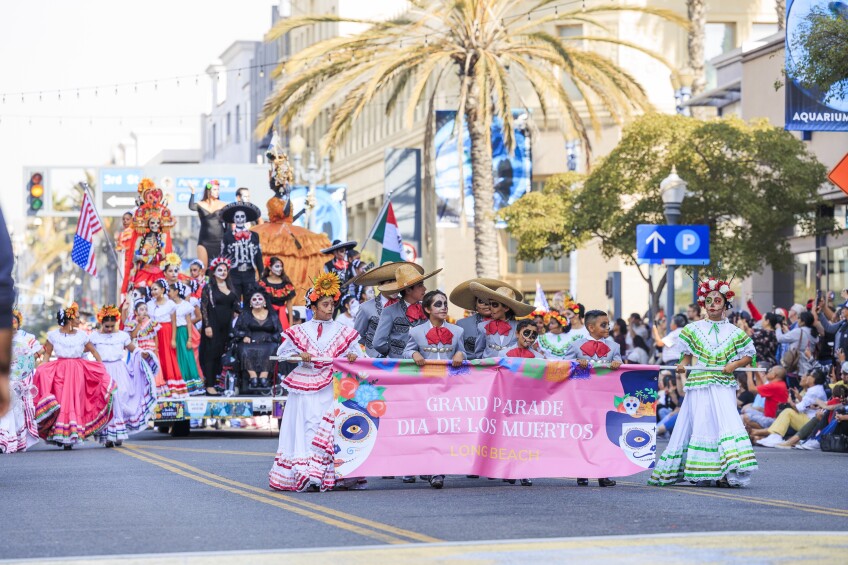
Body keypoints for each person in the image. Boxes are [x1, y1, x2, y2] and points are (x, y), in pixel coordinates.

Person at [649, 277, 757, 488]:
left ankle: (726, 472)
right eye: (709, 301)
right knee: (703, 423)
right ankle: (704, 471)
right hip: (699, 382)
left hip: (723, 383)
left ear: (726, 303)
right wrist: (682, 364)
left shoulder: (735, 332)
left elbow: (748, 356)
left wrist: (733, 365)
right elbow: (687, 356)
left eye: (717, 300)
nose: (713, 305)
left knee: (725, 423)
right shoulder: (693, 329)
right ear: (703, 303)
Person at [268, 272, 362, 492]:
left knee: (327, 429)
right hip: (305, 385)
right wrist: (300, 356)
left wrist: (351, 358)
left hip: (331, 386)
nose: (330, 308)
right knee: (306, 427)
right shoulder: (300, 331)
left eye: (332, 304)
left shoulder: (343, 331)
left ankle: (329, 474)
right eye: (325, 304)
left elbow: (359, 357)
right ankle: (307, 474)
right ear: (313, 306)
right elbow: (282, 354)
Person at [403, 290, 467, 489]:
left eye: (445, 304)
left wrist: (460, 354)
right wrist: (413, 354)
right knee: (428, 428)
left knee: (444, 428)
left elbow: (463, 351)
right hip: (425, 387)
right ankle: (430, 468)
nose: (443, 307)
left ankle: (437, 470)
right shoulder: (416, 331)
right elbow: (406, 350)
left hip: (449, 387)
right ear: (428, 309)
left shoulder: (457, 332)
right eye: (438, 304)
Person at [31, 303, 115, 449]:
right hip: (60, 371)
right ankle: (60, 434)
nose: (79, 320)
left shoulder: (82, 335)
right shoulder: (53, 336)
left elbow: (94, 353)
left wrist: (101, 368)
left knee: (75, 401)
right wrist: (43, 370)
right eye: (76, 318)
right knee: (61, 401)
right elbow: (47, 355)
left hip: (77, 371)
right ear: (69, 320)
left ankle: (71, 436)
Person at [562, 309, 621, 488]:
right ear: (590, 327)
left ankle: (604, 474)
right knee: (584, 434)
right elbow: (563, 366)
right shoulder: (576, 345)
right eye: (603, 325)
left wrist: (618, 363)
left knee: (603, 434)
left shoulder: (614, 347)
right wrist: (575, 364)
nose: (607, 327)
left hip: (604, 396)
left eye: (608, 324)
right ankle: (583, 472)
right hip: (582, 397)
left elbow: (620, 363)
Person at [90, 305, 156, 447]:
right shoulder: (94, 336)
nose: (109, 329)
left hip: (119, 370)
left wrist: (142, 352)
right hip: (103, 371)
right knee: (106, 402)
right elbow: (84, 350)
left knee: (120, 398)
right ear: (101, 323)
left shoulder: (122, 336)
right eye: (106, 326)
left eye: (112, 326)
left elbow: (133, 348)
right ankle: (108, 435)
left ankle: (119, 432)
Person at [351, 262, 424, 357]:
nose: (394, 286)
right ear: (380, 285)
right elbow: (357, 336)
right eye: (390, 282)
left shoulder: (409, 304)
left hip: (404, 359)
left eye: (396, 281)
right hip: (375, 360)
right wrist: (372, 349)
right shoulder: (366, 308)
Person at [0, 310, 46, 453]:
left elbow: (40, 351)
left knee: (18, 409)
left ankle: (15, 440)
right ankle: (5, 439)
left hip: (21, 379)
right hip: (4, 376)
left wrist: (27, 360)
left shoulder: (26, 337)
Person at [373, 264, 442, 359]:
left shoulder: (428, 309)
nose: (425, 289)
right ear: (409, 290)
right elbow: (378, 343)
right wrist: (394, 353)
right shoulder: (389, 311)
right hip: (398, 365)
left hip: (424, 363)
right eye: (420, 285)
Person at [753, 369, 829, 447]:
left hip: (810, 421)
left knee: (788, 412)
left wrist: (790, 401)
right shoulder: (816, 389)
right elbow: (809, 406)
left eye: (809, 376)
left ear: (814, 379)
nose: (807, 377)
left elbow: (798, 408)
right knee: (785, 412)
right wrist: (798, 398)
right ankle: (773, 435)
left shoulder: (814, 391)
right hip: (808, 418)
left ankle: (775, 436)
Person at [450, 278, 521, 358]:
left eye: (493, 304)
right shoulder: (467, 325)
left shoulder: (518, 326)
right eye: (481, 302)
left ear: (506, 308)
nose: (488, 306)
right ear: (475, 305)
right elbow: (477, 353)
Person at [200, 257, 240, 396]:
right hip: (213, 325)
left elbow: (236, 306)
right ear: (214, 272)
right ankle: (209, 384)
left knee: (222, 356)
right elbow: (203, 307)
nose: (223, 272)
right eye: (220, 270)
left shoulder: (230, 287)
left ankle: (219, 383)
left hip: (227, 327)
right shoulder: (209, 288)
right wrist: (207, 326)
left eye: (225, 270)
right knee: (211, 355)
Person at [468, 283, 534, 359]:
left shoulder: (520, 327)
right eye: (490, 304)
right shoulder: (482, 326)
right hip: (489, 369)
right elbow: (479, 353)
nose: (490, 308)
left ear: (506, 308)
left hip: (511, 369)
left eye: (494, 305)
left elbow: (527, 351)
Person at [234, 288, 283, 390]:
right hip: (250, 342)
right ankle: (253, 377)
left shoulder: (272, 315)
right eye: (254, 299)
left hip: (268, 342)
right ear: (250, 303)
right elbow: (236, 330)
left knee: (273, 348)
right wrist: (244, 336)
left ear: (264, 302)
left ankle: (264, 377)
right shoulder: (245, 314)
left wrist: (271, 338)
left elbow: (279, 331)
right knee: (243, 348)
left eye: (259, 299)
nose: (257, 301)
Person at [147, 279, 187, 398]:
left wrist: (173, 339)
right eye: (151, 289)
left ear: (163, 290)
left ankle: (173, 388)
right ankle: (159, 386)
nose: (153, 292)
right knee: (157, 357)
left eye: (155, 289)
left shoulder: (170, 304)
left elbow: (174, 322)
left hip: (167, 332)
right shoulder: (149, 305)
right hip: (154, 334)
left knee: (168, 357)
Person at [222, 201, 264, 304]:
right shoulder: (227, 236)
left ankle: (248, 320)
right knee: (234, 300)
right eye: (237, 217)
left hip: (250, 273)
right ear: (234, 219)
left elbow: (258, 255)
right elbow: (224, 256)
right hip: (234, 273)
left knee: (250, 300)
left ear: (246, 219)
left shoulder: (254, 235)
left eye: (242, 217)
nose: (240, 219)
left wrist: (261, 273)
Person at [168, 282, 204, 396]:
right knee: (175, 357)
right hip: (172, 332)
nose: (168, 293)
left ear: (176, 292)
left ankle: (190, 384)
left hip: (182, 332)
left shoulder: (185, 305)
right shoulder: (168, 305)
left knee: (187, 356)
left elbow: (189, 323)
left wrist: (189, 339)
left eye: (170, 291)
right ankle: (179, 384)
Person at [125, 301, 166, 397]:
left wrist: (156, 349)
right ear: (136, 312)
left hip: (150, 348)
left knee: (153, 368)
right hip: (140, 349)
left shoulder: (151, 322)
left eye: (146, 309)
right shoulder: (134, 323)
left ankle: (156, 390)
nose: (144, 311)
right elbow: (133, 335)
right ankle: (144, 391)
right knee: (142, 370)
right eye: (142, 309)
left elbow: (155, 336)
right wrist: (139, 323)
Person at [188, 180, 227, 270]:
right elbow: (191, 207)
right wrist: (193, 191)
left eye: (218, 189)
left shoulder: (223, 205)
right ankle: (203, 284)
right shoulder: (201, 204)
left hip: (219, 241)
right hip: (205, 240)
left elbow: (228, 225)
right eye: (215, 189)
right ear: (209, 190)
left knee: (219, 268)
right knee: (203, 268)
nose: (217, 192)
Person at [740, 366, 788, 433]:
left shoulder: (775, 386)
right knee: (745, 411)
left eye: (771, 370)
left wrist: (749, 374)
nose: (768, 371)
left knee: (745, 417)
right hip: (767, 415)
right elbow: (759, 386)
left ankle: (764, 433)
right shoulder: (777, 384)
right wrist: (756, 371)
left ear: (774, 375)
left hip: (773, 420)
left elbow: (751, 389)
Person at [776, 311, 819, 377]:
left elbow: (780, 339)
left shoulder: (798, 331)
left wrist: (778, 328)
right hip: (809, 367)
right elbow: (799, 340)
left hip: (797, 368)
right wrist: (787, 331)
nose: (797, 320)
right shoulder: (813, 332)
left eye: (799, 318)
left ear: (803, 321)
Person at [259, 257, 296, 329]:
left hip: (282, 316)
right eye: (277, 266)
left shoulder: (286, 283)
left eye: (281, 266)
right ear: (269, 267)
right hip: (266, 315)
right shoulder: (263, 283)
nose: (280, 268)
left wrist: (291, 324)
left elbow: (289, 304)